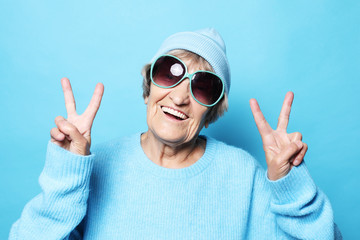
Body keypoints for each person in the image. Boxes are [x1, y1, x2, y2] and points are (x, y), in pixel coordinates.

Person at [9, 28, 342, 239]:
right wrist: (68, 172)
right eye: (170, 74)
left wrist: (291, 186)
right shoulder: (98, 165)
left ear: (211, 112)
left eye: (203, 86)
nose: (181, 97)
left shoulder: (243, 176)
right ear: (147, 89)